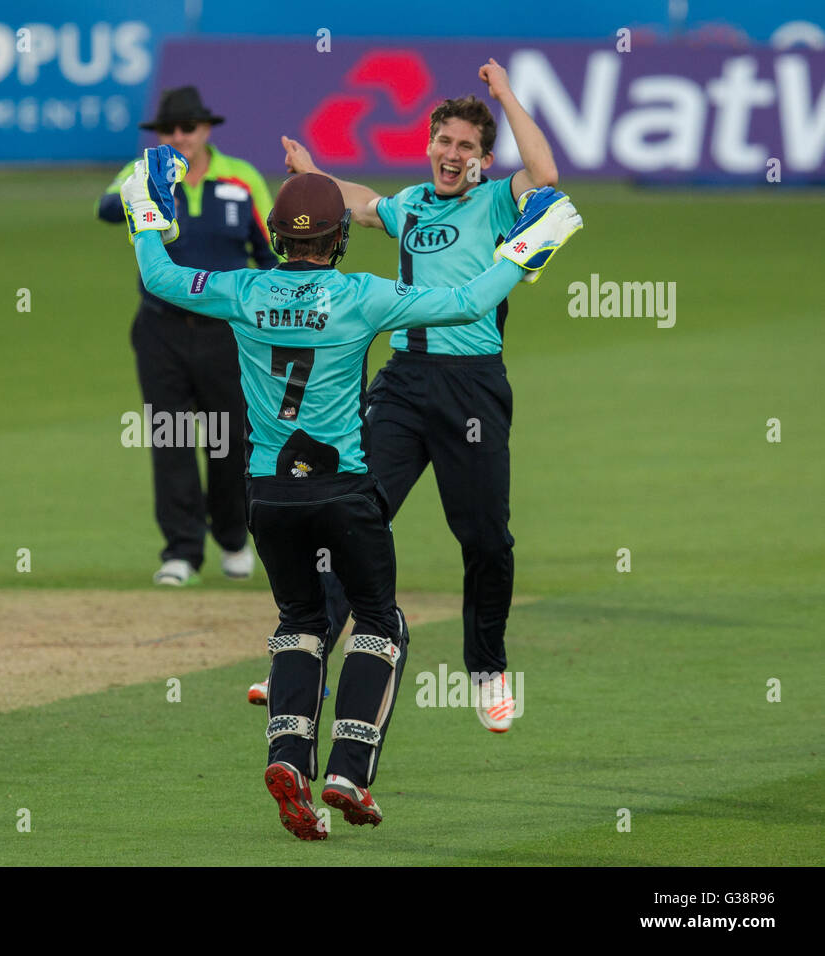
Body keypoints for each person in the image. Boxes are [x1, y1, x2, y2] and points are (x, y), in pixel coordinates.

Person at [118, 146, 581, 839]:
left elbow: (158, 274)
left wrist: (144, 205)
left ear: (276, 237)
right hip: (344, 493)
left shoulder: (241, 290)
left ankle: (288, 760)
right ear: (337, 240)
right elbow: (466, 302)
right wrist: (529, 244)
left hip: (269, 496)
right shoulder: (361, 295)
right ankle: (348, 773)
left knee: (300, 623)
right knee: (379, 623)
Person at [254, 59, 560, 732]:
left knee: (485, 539)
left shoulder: (496, 202)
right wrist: (314, 175)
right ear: (429, 147)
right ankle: (305, 651)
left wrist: (505, 93)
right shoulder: (413, 206)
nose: (452, 156)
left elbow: (547, 175)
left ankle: (486, 669)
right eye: (444, 143)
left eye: (466, 149)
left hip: (473, 388)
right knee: (347, 515)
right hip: (403, 383)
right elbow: (361, 204)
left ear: (482, 162)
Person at [97, 86, 278, 587]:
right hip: (162, 328)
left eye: (188, 128)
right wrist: (150, 187)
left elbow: (267, 248)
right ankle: (181, 551)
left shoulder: (240, 178)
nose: (180, 137)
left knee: (229, 441)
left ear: (206, 130)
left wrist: (271, 303)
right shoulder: (145, 171)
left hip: (226, 332)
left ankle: (233, 538)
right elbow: (107, 208)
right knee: (171, 438)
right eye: (170, 129)